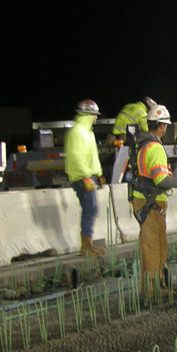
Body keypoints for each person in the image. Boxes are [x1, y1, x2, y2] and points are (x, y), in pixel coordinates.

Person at [130, 105, 174, 293]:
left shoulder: (142, 144)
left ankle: (155, 287)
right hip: (151, 203)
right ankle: (153, 291)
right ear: (162, 126)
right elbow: (160, 179)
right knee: (154, 248)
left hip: (145, 201)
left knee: (155, 245)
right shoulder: (155, 147)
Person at [65, 99, 106, 257]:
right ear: (89, 115)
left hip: (88, 176)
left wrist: (99, 173)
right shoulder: (78, 132)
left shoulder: (87, 133)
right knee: (90, 209)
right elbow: (77, 157)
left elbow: (93, 157)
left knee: (91, 209)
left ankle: (88, 243)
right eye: (95, 115)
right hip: (82, 178)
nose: (96, 118)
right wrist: (86, 177)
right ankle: (86, 245)